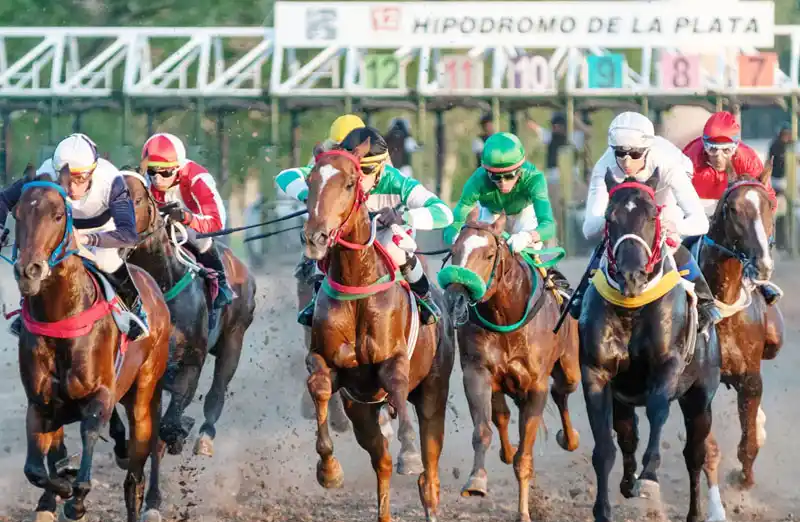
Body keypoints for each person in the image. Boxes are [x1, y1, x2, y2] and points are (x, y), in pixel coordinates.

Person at [275, 126, 453, 326]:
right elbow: (285, 176)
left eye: (365, 171)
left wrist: (403, 216)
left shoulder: (396, 181)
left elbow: (444, 213)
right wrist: (315, 197)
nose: (359, 178)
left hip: (384, 235)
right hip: (350, 238)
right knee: (324, 245)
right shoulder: (339, 173)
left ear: (381, 168)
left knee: (393, 248)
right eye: (356, 171)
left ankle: (424, 297)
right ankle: (317, 299)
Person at [569, 111, 722, 336]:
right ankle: (582, 294)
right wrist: (616, 221)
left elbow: (700, 222)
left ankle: (705, 300)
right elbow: (589, 228)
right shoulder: (605, 167)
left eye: (635, 153)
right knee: (614, 237)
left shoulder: (667, 164)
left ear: (647, 150)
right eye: (620, 153)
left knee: (666, 239)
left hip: (661, 195)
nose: (626, 161)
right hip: (624, 199)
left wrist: (672, 226)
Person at [0, 133, 148, 340]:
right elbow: (4, 199)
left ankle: (134, 309)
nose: (71, 187)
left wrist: (87, 240)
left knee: (107, 260)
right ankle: (25, 307)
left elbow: (128, 234)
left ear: (93, 172)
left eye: (80, 179)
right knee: (34, 256)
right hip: (59, 228)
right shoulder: (45, 173)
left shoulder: (112, 180)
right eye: (68, 177)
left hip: (101, 230)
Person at [444, 131, 572, 294]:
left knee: (533, 252)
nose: (502, 183)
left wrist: (527, 237)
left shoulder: (534, 178)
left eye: (509, 175)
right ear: (487, 172)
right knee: (477, 251)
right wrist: (455, 238)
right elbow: (456, 220)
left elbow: (548, 226)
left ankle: (560, 293)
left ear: (519, 170)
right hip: (491, 212)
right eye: (495, 177)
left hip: (523, 214)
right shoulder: (477, 180)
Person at [683, 111, 781, 305]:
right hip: (695, 204)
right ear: (703, 146)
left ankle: (760, 280)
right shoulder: (690, 158)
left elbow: (767, 199)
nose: (719, 157)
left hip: (734, 207)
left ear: (736, 147)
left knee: (751, 233)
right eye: (712, 150)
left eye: (726, 150)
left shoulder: (748, 159)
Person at [140, 132, 234, 309]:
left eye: (165, 172)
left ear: (177, 167)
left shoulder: (198, 178)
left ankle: (220, 283)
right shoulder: (144, 181)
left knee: (201, 240)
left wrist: (187, 218)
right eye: (152, 171)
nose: (157, 179)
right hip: (158, 228)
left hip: (192, 228)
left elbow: (217, 222)